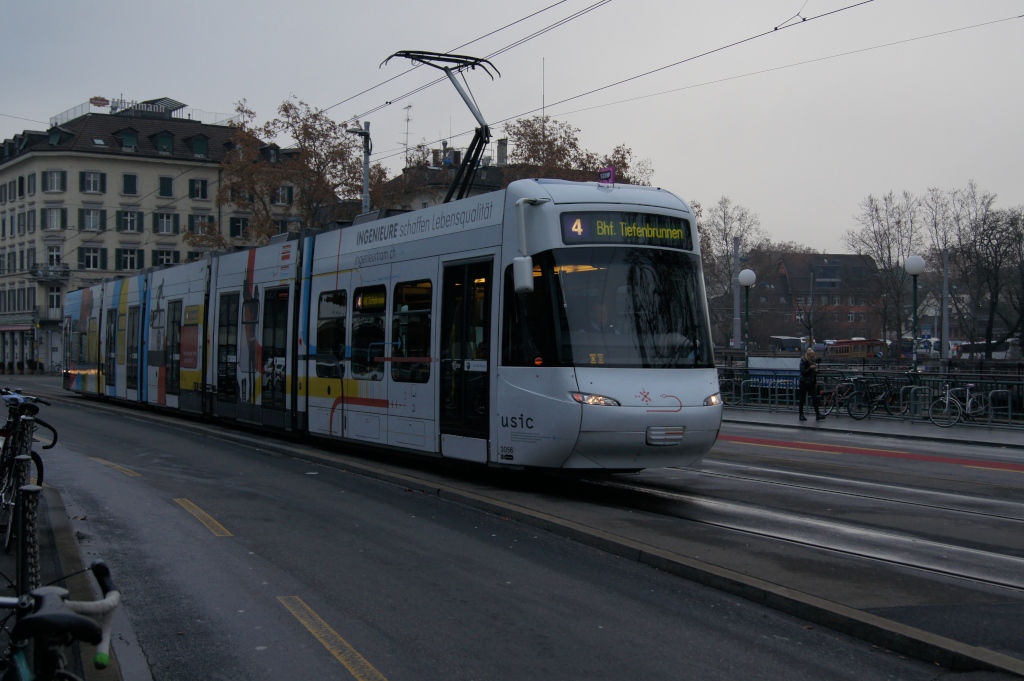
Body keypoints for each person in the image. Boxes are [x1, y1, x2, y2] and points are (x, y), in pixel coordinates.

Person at [798, 348, 824, 421]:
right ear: (808, 355)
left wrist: (815, 382)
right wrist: (810, 368)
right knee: (802, 399)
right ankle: (801, 414)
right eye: (811, 356)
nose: (812, 357)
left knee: (815, 398)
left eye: (813, 356)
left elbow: (814, 374)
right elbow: (803, 372)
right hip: (804, 382)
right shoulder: (803, 361)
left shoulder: (813, 362)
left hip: (811, 382)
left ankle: (818, 414)